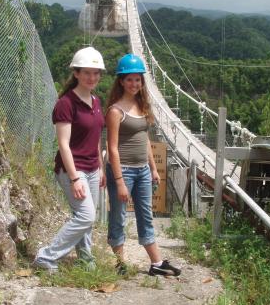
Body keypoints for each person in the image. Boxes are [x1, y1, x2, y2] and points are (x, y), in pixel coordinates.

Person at [105, 53, 181, 276]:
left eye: (137, 79)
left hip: (143, 171)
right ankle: (120, 263)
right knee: (118, 216)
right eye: (129, 79)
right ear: (121, 81)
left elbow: (145, 139)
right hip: (123, 172)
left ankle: (156, 263)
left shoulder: (142, 106)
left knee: (145, 215)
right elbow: (112, 149)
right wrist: (119, 182)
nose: (134, 83)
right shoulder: (115, 111)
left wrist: (153, 169)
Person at [34, 46, 106, 272]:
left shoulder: (95, 101)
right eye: (87, 72)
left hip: (93, 168)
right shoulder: (65, 103)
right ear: (76, 73)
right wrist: (75, 179)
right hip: (72, 169)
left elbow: (94, 138)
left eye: (96, 73)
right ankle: (46, 256)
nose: (92, 77)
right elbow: (63, 144)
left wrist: (101, 168)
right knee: (86, 216)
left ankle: (86, 257)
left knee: (84, 215)